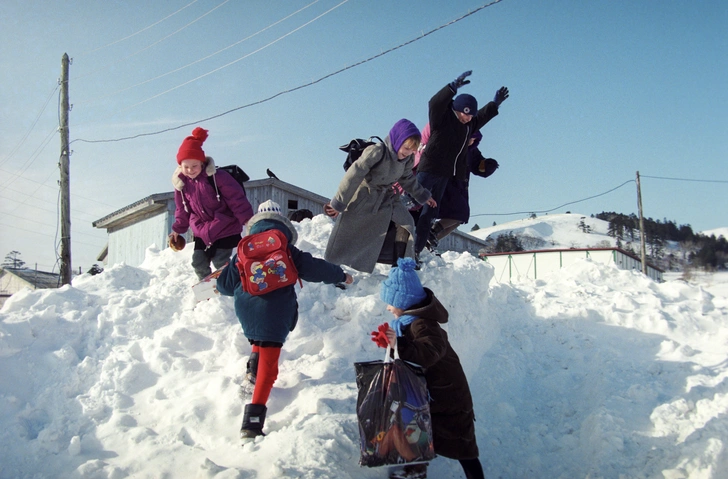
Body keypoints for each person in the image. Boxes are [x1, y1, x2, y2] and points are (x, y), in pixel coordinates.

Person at [216, 200, 354, 439]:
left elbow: (225, 286)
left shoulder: (242, 249)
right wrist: (341, 275)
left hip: (246, 311)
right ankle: (252, 424)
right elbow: (314, 268)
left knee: (258, 340)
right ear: (281, 221)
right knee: (269, 369)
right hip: (276, 312)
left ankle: (253, 365)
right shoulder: (285, 247)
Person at [371, 257, 484, 479]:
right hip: (432, 396)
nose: (388, 307)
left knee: (463, 447)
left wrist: (400, 343)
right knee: (420, 434)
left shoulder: (422, 323)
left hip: (448, 397)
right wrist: (392, 344)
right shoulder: (408, 323)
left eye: (391, 302)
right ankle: (415, 470)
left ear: (403, 302)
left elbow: (428, 353)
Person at [414, 70, 508, 260]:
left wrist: (495, 104)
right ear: (456, 110)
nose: (467, 118)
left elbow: (482, 117)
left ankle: (416, 251)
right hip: (429, 169)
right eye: (464, 114)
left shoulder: (468, 128)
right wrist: (451, 88)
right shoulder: (442, 119)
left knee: (429, 213)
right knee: (415, 204)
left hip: (445, 175)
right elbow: (434, 103)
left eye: (470, 116)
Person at [324, 119, 436, 273]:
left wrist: (423, 195)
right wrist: (338, 204)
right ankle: (331, 268)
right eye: (406, 148)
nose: (409, 153)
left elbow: (407, 179)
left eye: (412, 150)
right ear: (397, 139)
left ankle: (400, 268)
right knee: (348, 231)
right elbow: (353, 175)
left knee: (407, 223)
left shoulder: (407, 159)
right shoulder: (377, 152)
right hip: (364, 196)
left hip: (387, 198)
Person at [169, 127, 254, 279]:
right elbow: (182, 209)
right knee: (198, 263)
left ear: (202, 163)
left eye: (194, 166)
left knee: (220, 261)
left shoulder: (217, 177)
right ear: (180, 166)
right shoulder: (181, 185)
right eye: (186, 167)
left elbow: (236, 198)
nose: (190, 170)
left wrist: (248, 220)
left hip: (225, 225)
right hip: (201, 229)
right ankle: (208, 291)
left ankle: (233, 285)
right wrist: (178, 228)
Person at [426, 130, 499, 250]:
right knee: (460, 213)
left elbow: (478, 164)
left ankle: (430, 240)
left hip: (460, 187)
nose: (472, 141)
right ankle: (432, 232)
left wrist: (487, 166)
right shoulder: (451, 145)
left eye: (475, 140)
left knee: (461, 218)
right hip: (447, 184)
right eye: (470, 138)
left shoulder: (472, 150)